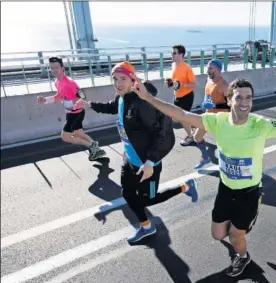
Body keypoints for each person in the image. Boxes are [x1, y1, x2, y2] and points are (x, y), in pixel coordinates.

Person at [134, 76, 276, 277]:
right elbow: (181, 114)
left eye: (248, 98)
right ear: (229, 100)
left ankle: (243, 256)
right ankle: (239, 233)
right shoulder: (217, 121)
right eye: (239, 98)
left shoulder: (260, 125)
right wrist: (148, 98)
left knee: (236, 236)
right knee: (217, 235)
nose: (245, 103)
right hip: (226, 188)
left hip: (249, 192)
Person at [77, 62, 199, 243]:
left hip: (147, 163)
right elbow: (112, 106)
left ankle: (186, 186)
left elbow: (162, 134)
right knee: (127, 193)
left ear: (133, 79)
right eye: (115, 79)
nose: (118, 83)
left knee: (148, 200)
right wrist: (89, 104)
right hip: (130, 159)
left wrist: (150, 162)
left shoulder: (142, 103)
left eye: (123, 79)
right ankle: (147, 227)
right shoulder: (122, 97)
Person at [37, 57, 105, 161]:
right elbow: (59, 96)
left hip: (75, 113)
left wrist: (76, 103)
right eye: (52, 68)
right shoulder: (57, 82)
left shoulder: (69, 83)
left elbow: (82, 96)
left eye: (56, 67)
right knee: (78, 133)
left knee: (65, 137)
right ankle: (96, 149)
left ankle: (92, 147)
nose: (54, 70)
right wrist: (45, 100)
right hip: (71, 112)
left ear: (62, 68)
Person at [194, 59, 230, 169]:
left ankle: (228, 164)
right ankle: (205, 157)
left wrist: (214, 106)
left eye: (210, 68)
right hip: (208, 116)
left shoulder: (224, 85)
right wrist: (204, 104)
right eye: (207, 68)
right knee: (197, 137)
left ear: (218, 70)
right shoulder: (209, 81)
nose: (207, 70)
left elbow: (230, 106)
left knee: (223, 145)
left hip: (220, 119)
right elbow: (207, 96)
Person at [166, 44, 197, 146]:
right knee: (176, 118)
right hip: (177, 96)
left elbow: (194, 84)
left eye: (174, 53)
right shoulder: (174, 65)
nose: (172, 55)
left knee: (182, 118)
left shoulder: (187, 68)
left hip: (186, 96)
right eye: (171, 53)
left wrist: (182, 85)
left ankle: (190, 137)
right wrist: (170, 82)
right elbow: (175, 81)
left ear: (181, 54)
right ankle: (194, 124)